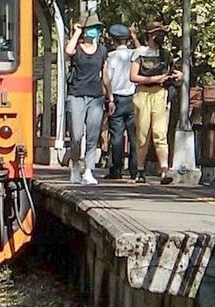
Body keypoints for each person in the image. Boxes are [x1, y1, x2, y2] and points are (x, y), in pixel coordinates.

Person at [130, 21, 180, 184]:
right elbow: (133, 77)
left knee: (160, 133)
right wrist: (153, 78)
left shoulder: (166, 55)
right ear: (150, 35)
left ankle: (164, 171)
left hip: (160, 94)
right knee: (143, 134)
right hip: (143, 94)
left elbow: (172, 71)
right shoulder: (140, 53)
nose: (161, 37)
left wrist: (178, 76)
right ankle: (140, 170)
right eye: (157, 33)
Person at [65, 13, 112, 184]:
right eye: (91, 28)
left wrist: (110, 97)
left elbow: (105, 75)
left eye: (96, 29)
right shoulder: (76, 48)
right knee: (77, 135)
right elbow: (68, 51)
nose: (94, 32)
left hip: (96, 97)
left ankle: (89, 171)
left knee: (93, 135)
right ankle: (76, 164)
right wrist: (76, 32)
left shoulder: (102, 51)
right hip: (76, 95)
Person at [104, 23, 139, 181]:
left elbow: (107, 80)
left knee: (117, 136)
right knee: (134, 136)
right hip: (133, 98)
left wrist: (108, 98)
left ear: (114, 40)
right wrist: (135, 37)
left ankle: (116, 169)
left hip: (116, 99)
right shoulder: (134, 54)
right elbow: (143, 53)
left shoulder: (110, 57)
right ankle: (135, 170)